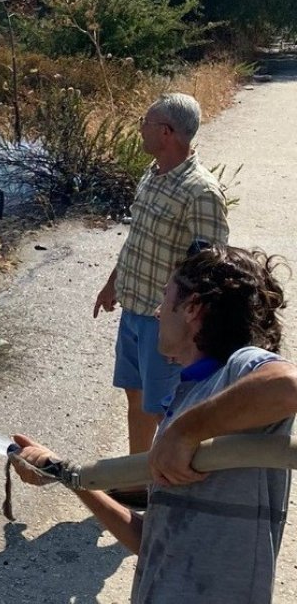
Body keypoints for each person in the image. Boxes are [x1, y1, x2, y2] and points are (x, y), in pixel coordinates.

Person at [16, 245, 297, 603]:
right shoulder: (188, 395)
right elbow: (153, 541)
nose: (158, 310)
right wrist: (65, 474)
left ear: (193, 308)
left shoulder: (236, 370)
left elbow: (288, 385)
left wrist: (184, 431)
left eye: (166, 298)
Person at [93, 92, 229, 507]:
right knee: (136, 396)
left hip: (163, 323)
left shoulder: (201, 191)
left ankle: (170, 486)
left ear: (166, 132)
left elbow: (209, 267)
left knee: (167, 407)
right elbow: (138, 241)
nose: (140, 128)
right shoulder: (153, 175)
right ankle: (137, 481)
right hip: (134, 310)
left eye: (145, 122)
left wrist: (181, 322)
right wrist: (113, 282)